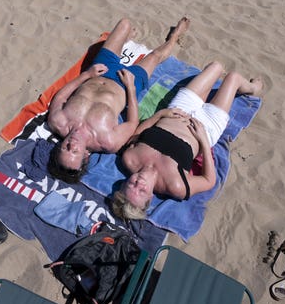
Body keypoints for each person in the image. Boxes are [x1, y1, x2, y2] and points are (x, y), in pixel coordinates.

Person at [112, 61, 263, 220]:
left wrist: (161, 114)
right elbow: (209, 181)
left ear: (125, 183)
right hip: (207, 125)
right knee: (233, 78)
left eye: (132, 184)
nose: (139, 182)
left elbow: (137, 132)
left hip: (179, 109)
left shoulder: (130, 159)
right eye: (142, 191)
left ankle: (206, 90)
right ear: (150, 197)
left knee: (215, 67)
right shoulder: (175, 186)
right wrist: (204, 141)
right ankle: (252, 89)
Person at [47, 17, 191, 183]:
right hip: (126, 84)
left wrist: (87, 75)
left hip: (100, 70)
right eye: (75, 152)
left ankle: (126, 39)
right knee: (155, 56)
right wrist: (131, 87)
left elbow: (61, 96)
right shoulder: (107, 141)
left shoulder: (58, 121)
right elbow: (132, 123)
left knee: (125, 23)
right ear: (86, 155)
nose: (71, 145)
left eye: (66, 148)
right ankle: (175, 36)